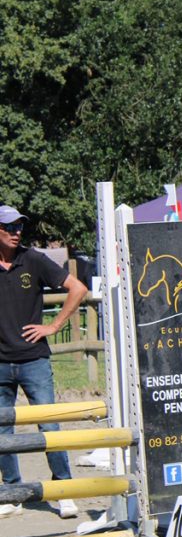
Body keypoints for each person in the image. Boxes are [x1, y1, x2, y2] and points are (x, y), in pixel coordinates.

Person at [0, 205, 88, 519]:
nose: (16, 232)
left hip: (34, 359)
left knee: (49, 424)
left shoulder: (34, 259)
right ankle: (11, 492)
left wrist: (54, 326)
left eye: (19, 227)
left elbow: (78, 288)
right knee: (2, 431)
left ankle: (63, 487)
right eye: (9, 227)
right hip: (0, 364)